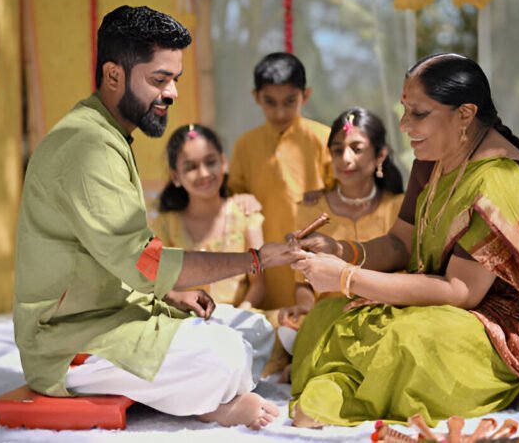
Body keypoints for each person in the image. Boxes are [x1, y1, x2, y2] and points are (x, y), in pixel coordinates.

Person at [287, 53, 519, 428]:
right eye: (405, 110)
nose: (404, 125)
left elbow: (460, 291)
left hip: (497, 328)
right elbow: (399, 246)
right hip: (439, 303)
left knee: (408, 337)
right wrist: (341, 251)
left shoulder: (501, 179)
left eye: (419, 113)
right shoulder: (433, 158)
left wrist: (346, 277)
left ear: (465, 114)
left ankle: (342, 394)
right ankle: (340, 391)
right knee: (328, 313)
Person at [13, 5, 302, 431]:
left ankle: (188, 388)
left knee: (251, 326)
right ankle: (209, 403)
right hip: (70, 341)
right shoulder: (86, 147)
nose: (172, 93)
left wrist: (167, 297)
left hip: (117, 313)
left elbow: (121, 263)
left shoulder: (107, 134)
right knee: (224, 355)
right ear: (114, 76)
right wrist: (255, 259)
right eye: (159, 80)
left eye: (175, 80)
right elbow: (143, 264)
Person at [278, 107, 404, 334]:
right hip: (329, 319)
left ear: (380, 155)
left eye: (357, 149)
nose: (345, 159)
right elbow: (303, 280)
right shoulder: (311, 209)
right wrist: (305, 310)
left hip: (386, 316)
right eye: (337, 150)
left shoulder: (399, 206)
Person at [228, 52, 332, 310]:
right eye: (270, 102)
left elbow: (340, 193)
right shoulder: (245, 145)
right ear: (256, 97)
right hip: (266, 257)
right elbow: (234, 195)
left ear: (305, 96)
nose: (280, 111)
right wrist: (240, 198)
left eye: (289, 101)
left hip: (313, 251)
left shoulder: (323, 139)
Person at [153, 124, 266, 310]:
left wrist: (240, 315)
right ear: (175, 176)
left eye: (210, 162)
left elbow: (259, 284)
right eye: (191, 167)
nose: (204, 173)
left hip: (239, 322)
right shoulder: (163, 226)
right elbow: (152, 281)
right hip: (185, 324)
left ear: (224, 162)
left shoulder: (247, 216)